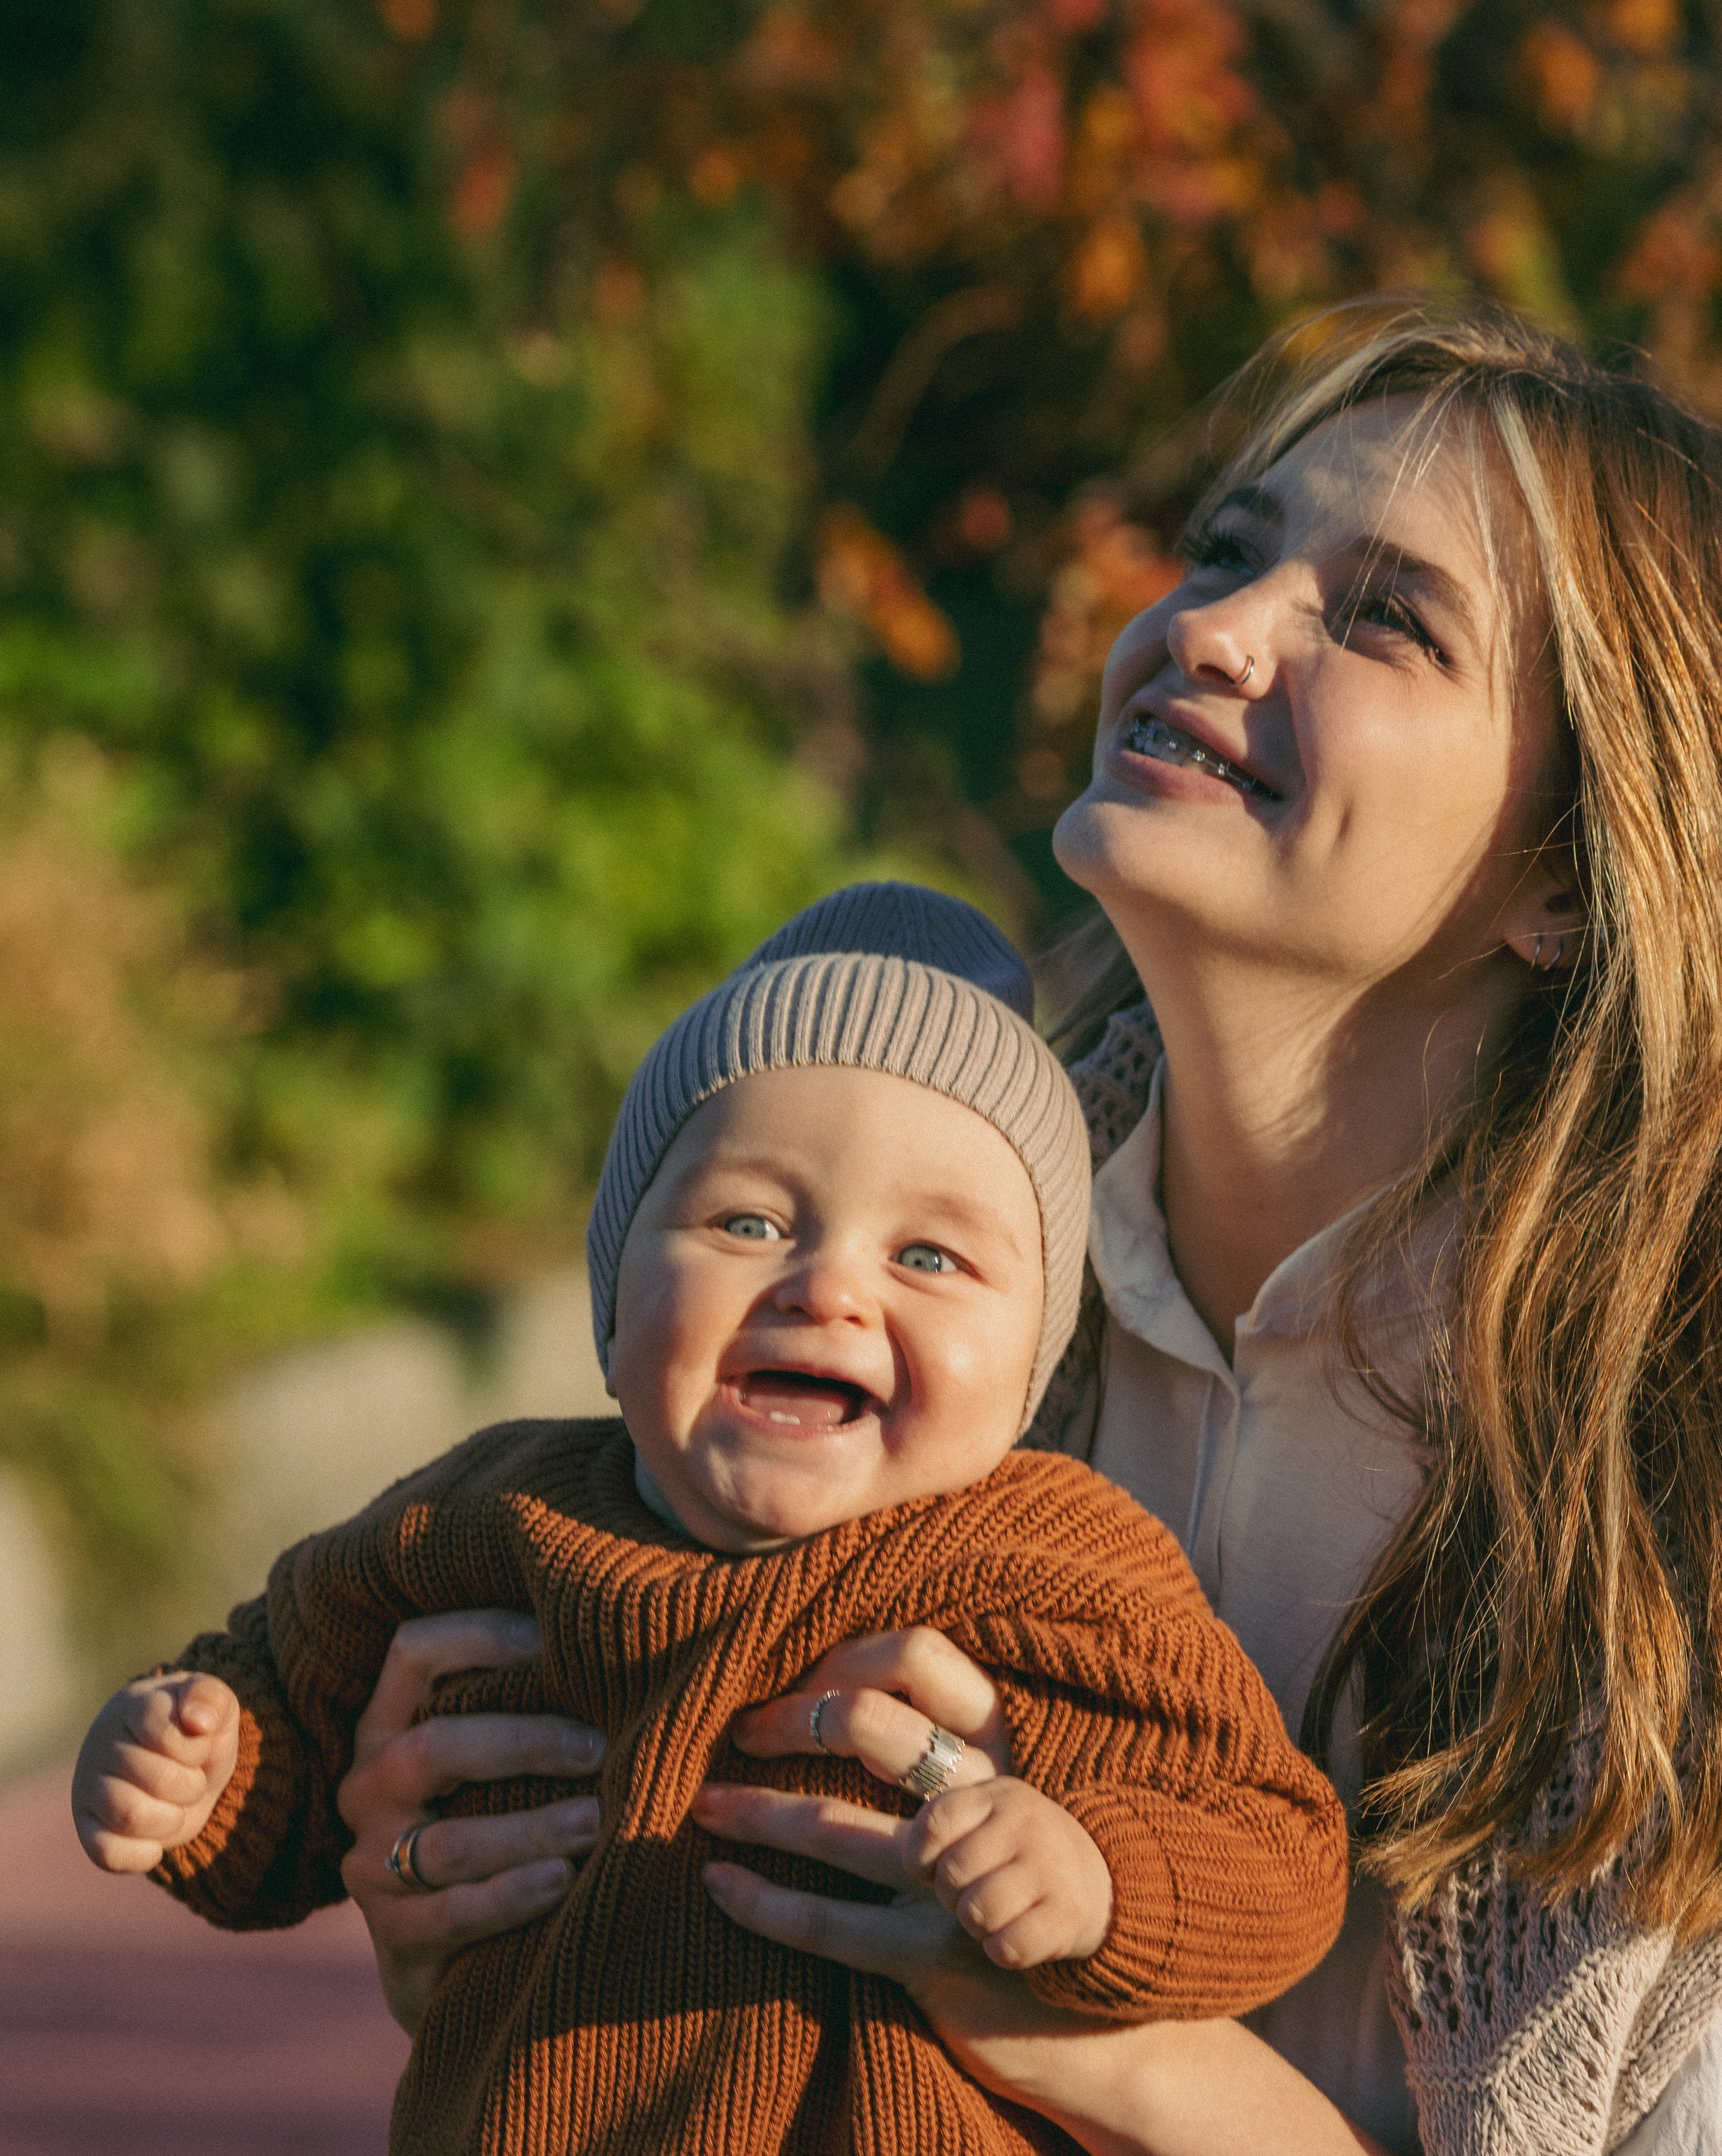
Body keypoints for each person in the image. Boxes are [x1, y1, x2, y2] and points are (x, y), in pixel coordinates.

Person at [320, 302, 1722, 2156]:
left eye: (1384, 617)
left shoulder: (1678, 1486)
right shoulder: (852, 1309)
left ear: (1563, 871)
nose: (1208, 628)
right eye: (1230, 550)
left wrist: (1109, 2049)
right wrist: (487, 1907)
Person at [72, 883, 1349, 2155]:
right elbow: (292, 1706)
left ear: (1031, 1371)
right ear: (615, 1307)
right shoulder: (487, 1515)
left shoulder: (1049, 1562)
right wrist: (202, 1767)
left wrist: (1097, 1880)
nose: (830, 1287)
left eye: (931, 1257)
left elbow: (1271, 1844)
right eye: (748, 1221)